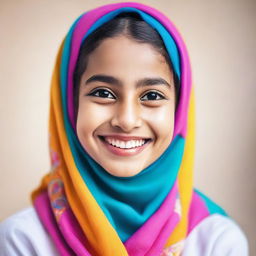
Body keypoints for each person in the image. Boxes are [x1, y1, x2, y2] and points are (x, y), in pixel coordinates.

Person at [0, 2, 248, 255]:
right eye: (103, 93)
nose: (127, 120)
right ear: (70, 103)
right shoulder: (23, 240)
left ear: (180, 108)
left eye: (152, 95)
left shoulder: (215, 241)